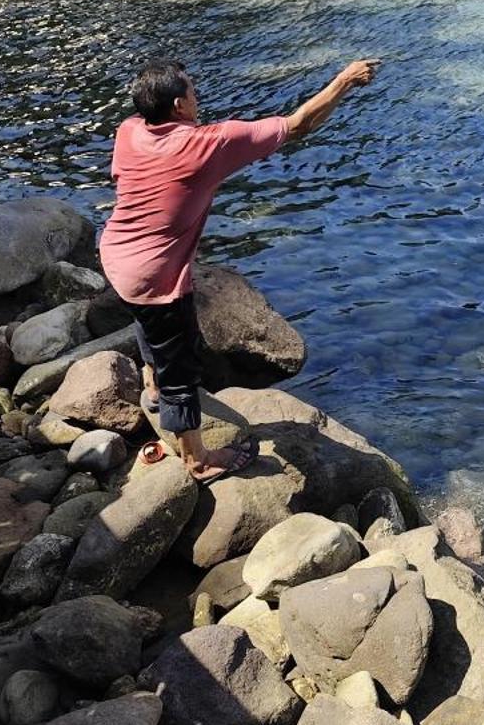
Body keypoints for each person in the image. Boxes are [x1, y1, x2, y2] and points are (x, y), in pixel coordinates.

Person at [98, 56, 376, 482]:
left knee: (150, 323)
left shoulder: (130, 130)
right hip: (154, 275)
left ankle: (151, 386)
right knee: (181, 364)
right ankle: (197, 459)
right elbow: (299, 124)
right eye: (191, 90)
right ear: (178, 106)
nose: (198, 95)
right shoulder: (210, 143)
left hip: (115, 254)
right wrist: (344, 81)